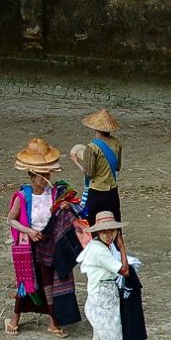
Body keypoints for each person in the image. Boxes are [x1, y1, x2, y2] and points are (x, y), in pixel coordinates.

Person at [7, 138, 81, 338]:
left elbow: (74, 210)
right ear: (32, 174)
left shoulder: (56, 193)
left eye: (47, 173)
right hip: (31, 245)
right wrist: (29, 231)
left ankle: (53, 321)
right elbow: (11, 220)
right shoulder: (23, 196)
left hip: (51, 245)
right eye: (41, 174)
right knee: (27, 282)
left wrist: (66, 207)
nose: (44, 177)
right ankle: (15, 318)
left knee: (52, 283)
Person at [78, 211, 134, 340]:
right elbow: (124, 270)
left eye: (112, 232)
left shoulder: (97, 246)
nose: (109, 235)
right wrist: (122, 246)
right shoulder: (101, 250)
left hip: (101, 300)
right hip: (102, 302)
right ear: (98, 233)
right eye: (106, 232)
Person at [72, 108, 128, 275]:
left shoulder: (92, 147)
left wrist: (77, 162)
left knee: (88, 223)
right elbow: (117, 167)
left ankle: (91, 254)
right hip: (112, 191)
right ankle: (117, 254)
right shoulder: (117, 143)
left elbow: (89, 172)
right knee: (114, 222)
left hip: (96, 192)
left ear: (95, 128)